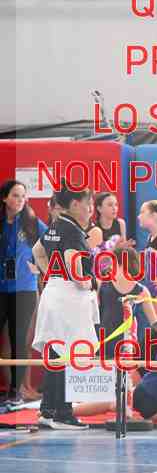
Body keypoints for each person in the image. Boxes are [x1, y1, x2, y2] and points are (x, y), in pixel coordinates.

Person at [31, 180, 99, 429]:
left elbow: (37, 251)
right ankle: (62, 413)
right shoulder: (72, 231)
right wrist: (87, 282)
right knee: (67, 354)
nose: (91, 208)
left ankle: (49, 410)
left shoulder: (56, 225)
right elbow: (74, 265)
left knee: (55, 354)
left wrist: (51, 273)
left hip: (55, 294)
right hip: (68, 299)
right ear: (75, 204)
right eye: (88, 203)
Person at [0, 180, 47, 404]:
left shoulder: (32, 222)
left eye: (22, 196)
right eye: (15, 195)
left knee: (18, 339)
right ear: (5, 198)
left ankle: (15, 391)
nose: (20, 200)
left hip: (24, 290)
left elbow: (52, 244)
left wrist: (40, 267)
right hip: (1, 288)